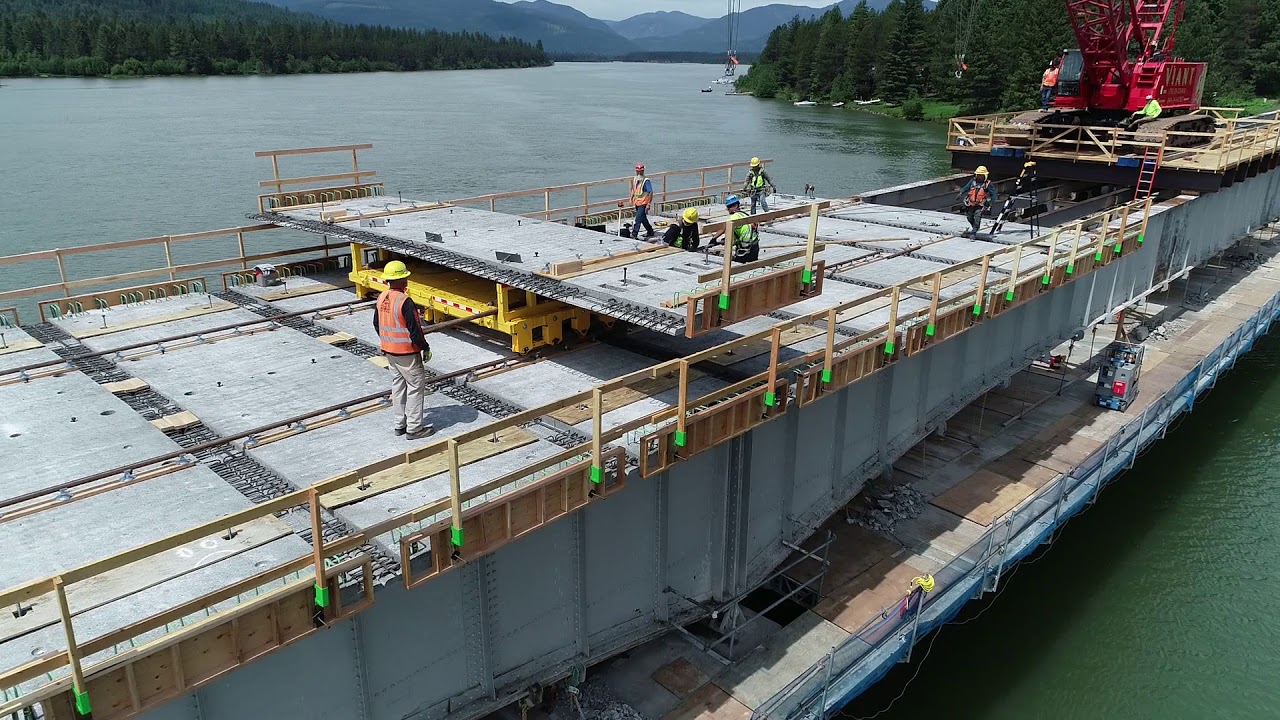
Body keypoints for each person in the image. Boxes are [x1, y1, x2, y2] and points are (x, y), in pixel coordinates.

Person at [371, 260, 435, 440]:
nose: (407, 280)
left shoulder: (382, 297)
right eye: (405, 276)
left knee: (398, 387)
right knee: (415, 387)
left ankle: (400, 424)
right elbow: (415, 329)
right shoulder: (405, 301)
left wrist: (388, 342)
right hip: (407, 353)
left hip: (390, 352)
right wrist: (425, 347)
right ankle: (414, 428)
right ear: (400, 280)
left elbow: (377, 324)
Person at [708, 195, 760, 262]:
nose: (727, 209)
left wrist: (714, 238)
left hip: (746, 249)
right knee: (753, 266)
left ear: (735, 206)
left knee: (739, 268)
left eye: (729, 207)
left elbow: (724, 228)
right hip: (754, 245)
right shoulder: (744, 214)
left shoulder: (734, 217)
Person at [957, 166, 996, 237]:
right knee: (969, 217)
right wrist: (961, 192)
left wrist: (990, 204)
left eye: (981, 175)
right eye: (978, 175)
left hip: (980, 205)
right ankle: (975, 227)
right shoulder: (972, 182)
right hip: (971, 204)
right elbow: (966, 187)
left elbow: (993, 194)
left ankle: (974, 232)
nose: (979, 177)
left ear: (985, 176)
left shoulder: (988, 184)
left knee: (977, 217)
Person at [631, 163, 655, 239]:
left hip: (643, 202)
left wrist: (648, 204)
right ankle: (650, 231)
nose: (639, 173)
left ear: (643, 171)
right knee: (643, 218)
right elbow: (633, 190)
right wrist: (630, 199)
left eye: (640, 172)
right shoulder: (635, 179)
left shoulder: (646, 181)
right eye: (638, 172)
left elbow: (650, 192)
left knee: (638, 219)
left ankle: (634, 234)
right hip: (637, 202)